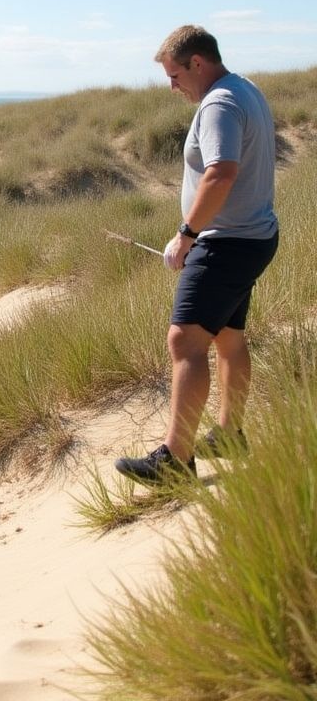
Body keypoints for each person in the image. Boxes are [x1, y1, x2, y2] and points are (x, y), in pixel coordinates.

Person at [115, 25, 279, 485]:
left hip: (226, 242)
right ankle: (229, 434)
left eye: (175, 75)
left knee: (184, 342)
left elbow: (222, 173)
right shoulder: (245, 89)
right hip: (253, 236)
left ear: (197, 64)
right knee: (229, 337)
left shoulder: (219, 103)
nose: (173, 86)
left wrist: (187, 234)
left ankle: (176, 458)